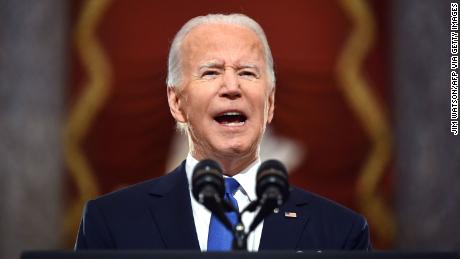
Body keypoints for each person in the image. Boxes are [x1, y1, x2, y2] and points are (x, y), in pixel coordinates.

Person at [75, 13, 371, 251]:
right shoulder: (112, 222)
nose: (232, 88)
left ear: (269, 103)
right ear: (177, 103)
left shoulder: (340, 232)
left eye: (247, 73)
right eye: (211, 72)